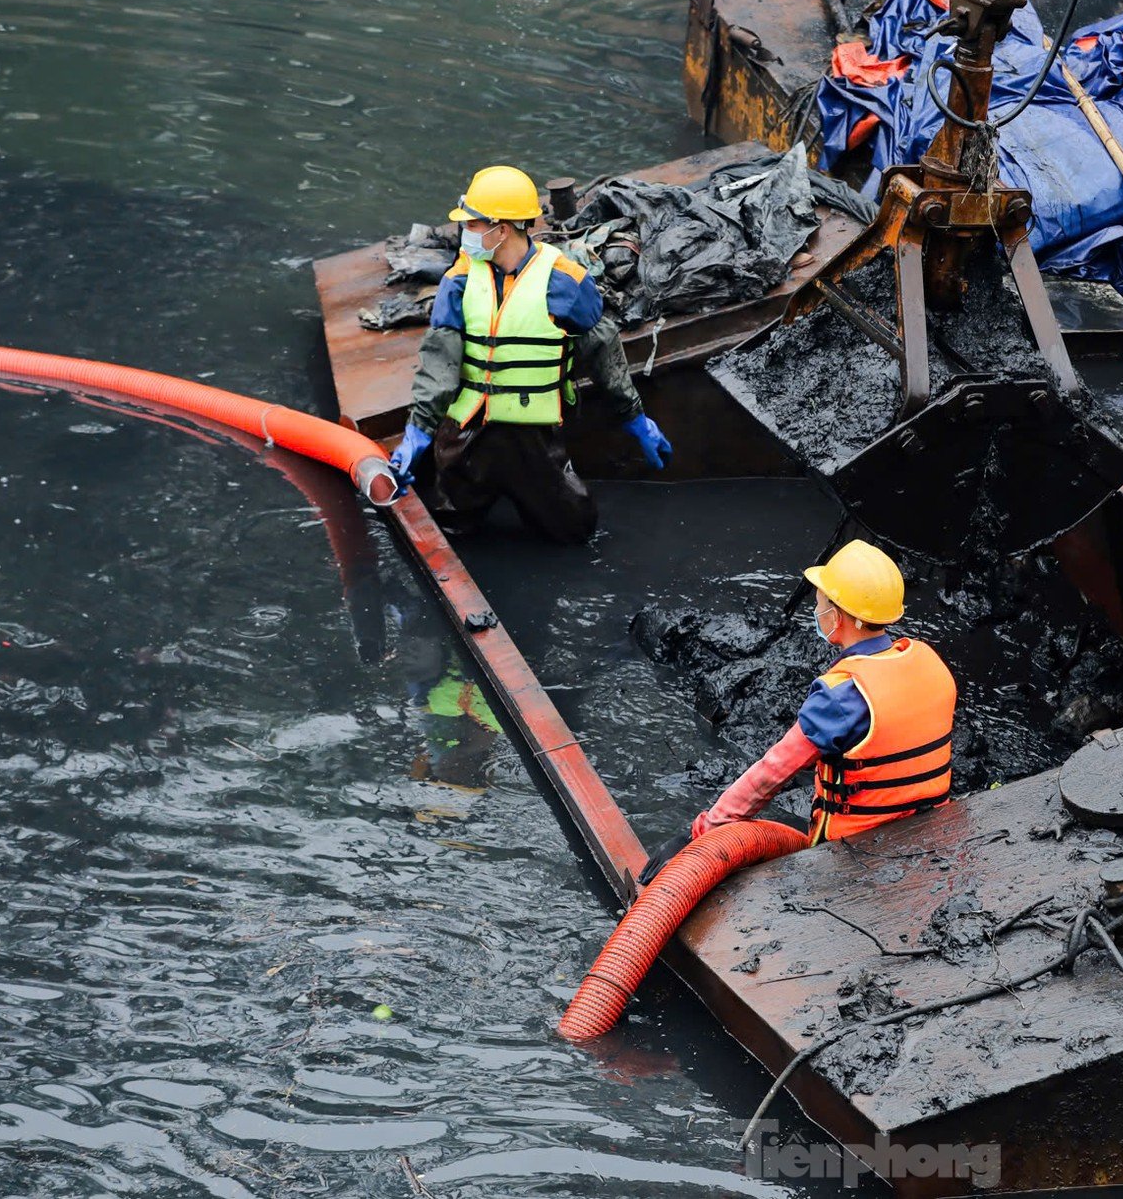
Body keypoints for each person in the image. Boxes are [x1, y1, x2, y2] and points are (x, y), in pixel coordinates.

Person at [639, 540, 957, 882]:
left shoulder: (842, 696)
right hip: (928, 832)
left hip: (858, 854)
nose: (817, 610)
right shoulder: (928, 660)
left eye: (821, 602)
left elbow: (771, 773)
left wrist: (697, 834)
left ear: (838, 615)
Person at [389, 164, 672, 541]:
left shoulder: (564, 282)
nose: (465, 234)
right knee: (450, 529)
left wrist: (634, 418)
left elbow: (602, 349)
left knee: (575, 530)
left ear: (501, 228)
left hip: (532, 438)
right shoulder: (458, 282)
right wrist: (417, 432)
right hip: (465, 435)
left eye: (473, 225)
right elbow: (439, 363)